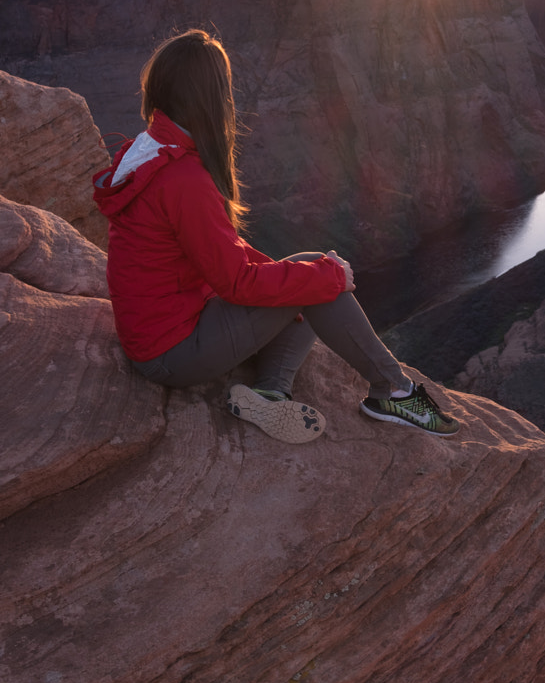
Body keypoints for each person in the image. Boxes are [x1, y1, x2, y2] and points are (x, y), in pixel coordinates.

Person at [92, 29, 456, 442]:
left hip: (161, 330)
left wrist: (307, 275)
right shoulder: (183, 178)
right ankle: (393, 391)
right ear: (211, 95)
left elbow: (221, 250)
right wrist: (327, 278)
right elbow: (236, 282)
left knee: (303, 275)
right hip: (170, 354)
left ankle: (270, 393)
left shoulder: (150, 149)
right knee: (312, 281)